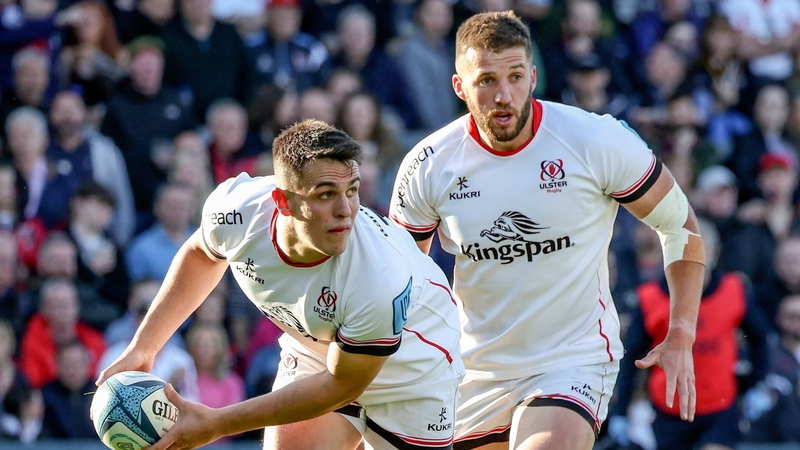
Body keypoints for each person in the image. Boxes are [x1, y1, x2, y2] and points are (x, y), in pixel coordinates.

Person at [388, 11, 705, 450]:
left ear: (533, 76)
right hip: (473, 371)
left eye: (515, 76)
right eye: (486, 81)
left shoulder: (593, 140)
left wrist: (683, 329)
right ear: (460, 87)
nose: (504, 95)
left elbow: (680, 225)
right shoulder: (428, 165)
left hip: (572, 361)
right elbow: (397, 280)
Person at [97, 119, 464, 450]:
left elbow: (340, 386)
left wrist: (217, 423)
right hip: (318, 345)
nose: (346, 210)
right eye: (325, 194)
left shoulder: (378, 278)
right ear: (282, 202)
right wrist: (144, 348)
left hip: (414, 363)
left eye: (352, 190)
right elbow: (202, 255)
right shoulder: (237, 210)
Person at [607, 219, 772, 450]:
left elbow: (760, 337)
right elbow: (633, 358)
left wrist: (757, 383)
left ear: (714, 254)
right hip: (668, 411)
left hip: (719, 409)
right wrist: (620, 411)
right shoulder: (651, 298)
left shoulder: (733, 290)